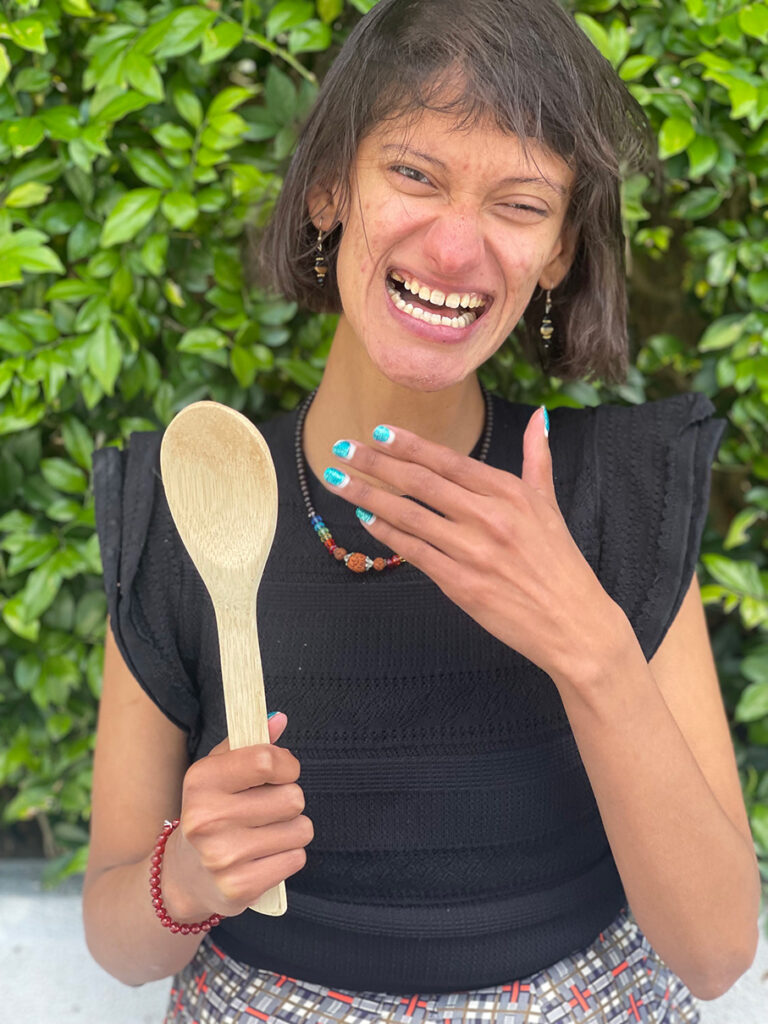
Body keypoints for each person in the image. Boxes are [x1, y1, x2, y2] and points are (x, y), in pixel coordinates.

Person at [84, 1, 761, 1021]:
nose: (454, 247)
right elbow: (117, 940)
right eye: (414, 174)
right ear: (328, 191)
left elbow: (715, 954)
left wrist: (588, 645)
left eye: (520, 204)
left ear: (561, 253)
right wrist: (184, 878)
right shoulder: (194, 503)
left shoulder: (618, 495)